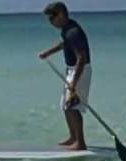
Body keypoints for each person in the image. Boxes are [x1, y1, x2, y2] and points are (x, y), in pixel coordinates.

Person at [38, 2, 92, 150]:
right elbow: (64, 44)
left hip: (80, 70)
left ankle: (80, 143)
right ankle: (73, 137)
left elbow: (81, 58)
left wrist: (74, 82)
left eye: (51, 19)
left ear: (60, 14)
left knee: (72, 105)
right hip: (72, 70)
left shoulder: (73, 31)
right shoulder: (67, 29)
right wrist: (48, 52)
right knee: (65, 105)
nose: (50, 23)